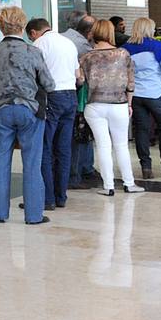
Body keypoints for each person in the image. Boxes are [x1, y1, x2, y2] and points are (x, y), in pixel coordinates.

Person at [0, 6, 55, 225]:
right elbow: (49, 84)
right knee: (32, 163)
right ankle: (33, 215)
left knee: (0, 160)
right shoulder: (33, 52)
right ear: (23, 26)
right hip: (29, 110)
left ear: (1, 26)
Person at [78, 19, 143, 196]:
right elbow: (131, 83)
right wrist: (129, 103)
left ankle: (108, 186)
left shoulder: (86, 56)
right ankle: (129, 184)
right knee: (121, 145)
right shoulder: (123, 54)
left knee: (103, 146)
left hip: (94, 105)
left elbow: (80, 81)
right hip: (119, 104)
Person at [26, 18, 80, 209]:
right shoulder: (68, 43)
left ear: (33, 32)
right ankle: (61, 197)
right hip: (71, 95)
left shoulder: (39, 43)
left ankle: (47, 198)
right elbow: (78, 75)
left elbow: (33, 73)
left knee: (46, 148)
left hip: (51, 96)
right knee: (64, 149)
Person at [124, 17, 161, 180]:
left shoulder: (125, 49)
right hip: (157, 93)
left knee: (141, 130)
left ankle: (146, 168)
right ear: (149, 29)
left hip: (136, 95)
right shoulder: (158, 47)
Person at [63, 10, 99, 190]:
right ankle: (78, 172)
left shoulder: (64, 38)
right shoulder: (83, 46)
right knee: (80, 134)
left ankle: (83, 169)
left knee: (76, 133)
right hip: (78, 94)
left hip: (65, 93)